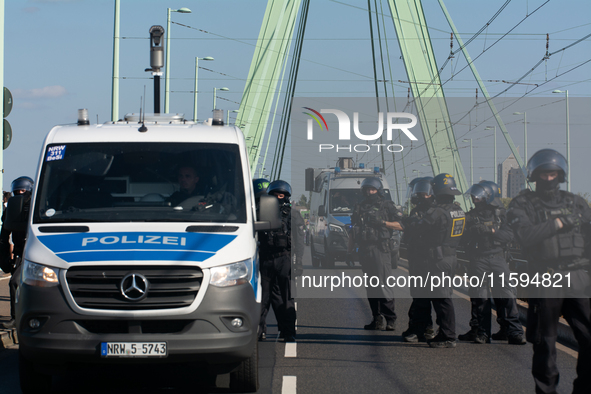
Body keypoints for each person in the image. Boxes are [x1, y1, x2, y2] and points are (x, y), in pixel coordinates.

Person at [507, 149, 591, 393]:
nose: (548, 178)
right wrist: (558, 223)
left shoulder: (576, 202)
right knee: (546, 345)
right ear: (534, 175)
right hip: (546, 278)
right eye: (543, 174)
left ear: (561, 174)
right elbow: (524, 235)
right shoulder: (523, 203)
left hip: (577, 279)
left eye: (552, 173)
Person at [458, 181, 525, 345]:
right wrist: (472, 231)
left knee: (507, 295)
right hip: (478, 258)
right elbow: (461, 238)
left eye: (478, 196)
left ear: (488, 196)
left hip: (498, 257)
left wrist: (490, 231)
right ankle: (481, 332)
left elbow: (509, 236)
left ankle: (514, 332)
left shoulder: (502, 215)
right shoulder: (470, 216)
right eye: (473, 196)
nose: (474, 198)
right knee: (479, 297)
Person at [349, 178, 403, 331]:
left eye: (372, 190)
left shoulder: (387, 206)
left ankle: (390, 319)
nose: (369, 192)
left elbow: (401, 225)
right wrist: (349, 252)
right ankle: (376, 319)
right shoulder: (359, 207)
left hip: (381, 249)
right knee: (371, 287)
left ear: (378, 190)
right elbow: (353, 230)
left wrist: (382, 222)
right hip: (365, 250)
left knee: (384, 285)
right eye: (367, 189)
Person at [421, 173, 465, 348]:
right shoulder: (458, 210)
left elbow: (421, 228)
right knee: (444, 295)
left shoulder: (437, 211)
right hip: (451, 256)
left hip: (438, 258)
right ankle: (445, 333)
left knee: (441, 298)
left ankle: (447, 336)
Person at [258, 180, 304, 342]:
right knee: (263, 298)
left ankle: (288, 331)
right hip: (265, 259)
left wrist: (298, 263)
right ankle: (259, 330)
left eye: (282, 194)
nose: (279, 197)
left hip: (285, 258)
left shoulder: (293, 214)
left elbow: (299, 241)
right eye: (276, 194)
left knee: (286, 298)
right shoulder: (260, 212)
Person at [401, 178, 436, 342]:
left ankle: (431, 329)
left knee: (437, 297)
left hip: (433, 258)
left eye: (423, 192)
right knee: (418, 295)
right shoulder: (415, 212)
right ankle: (421, 327)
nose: (420, 195)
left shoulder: (436, 211)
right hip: (417, 257)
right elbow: (407, 234)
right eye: (418, 192)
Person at [0, 176, 35, 329]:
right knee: (15, 283)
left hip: (34, 252)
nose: (20, 193)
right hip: (21, 253)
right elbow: (4, 235)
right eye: (17, 191)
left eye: (23, 191)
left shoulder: (35, 207)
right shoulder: (11, 211)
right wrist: (5, 259)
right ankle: (16, 318)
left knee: (18, 283)